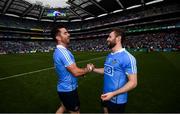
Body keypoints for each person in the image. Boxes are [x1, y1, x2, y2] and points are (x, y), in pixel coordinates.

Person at [90, 28, 137, 113]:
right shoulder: (109, 55)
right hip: (105, 95)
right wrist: (94, 69)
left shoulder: (128, 57)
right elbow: (106, 70)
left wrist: (113, 94)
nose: (107, 39)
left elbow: (133, 83)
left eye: (110, 37)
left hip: (117, 100)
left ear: (118, 38)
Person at [51, 25, 92, 114]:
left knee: (63, 108)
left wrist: (82, 72)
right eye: (65, 33)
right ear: (58, 37)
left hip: (63, 88)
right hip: (68, 90)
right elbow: (76, 72)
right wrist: (88, 69)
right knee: (76, 112)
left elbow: (70, 71)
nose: (69, 34)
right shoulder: (63, 52)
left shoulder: (60, 51)